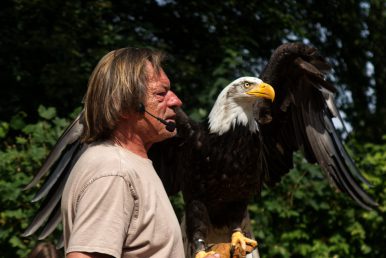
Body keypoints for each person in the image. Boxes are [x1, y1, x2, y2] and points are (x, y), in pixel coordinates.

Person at [61, 47, 220, 258]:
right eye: (160, 94)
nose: (176, 101)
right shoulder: (115, 171)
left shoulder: (129, 163)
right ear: (124, 106)